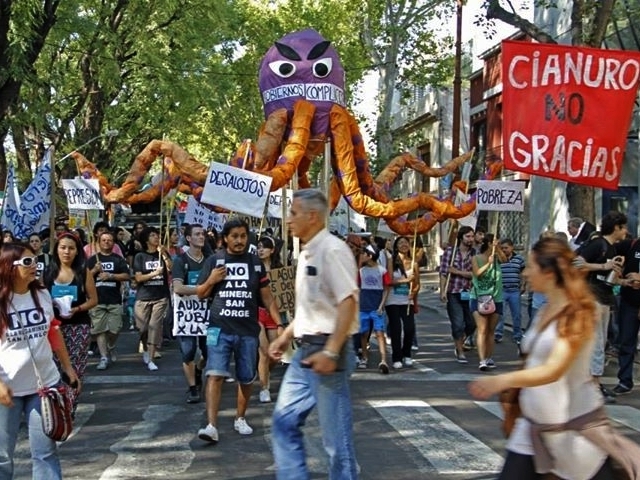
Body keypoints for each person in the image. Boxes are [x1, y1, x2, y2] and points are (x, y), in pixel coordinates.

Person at [468, 237, 640, 480]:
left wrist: (501, 381)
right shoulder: (544, 310)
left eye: (531, 267)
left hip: (574, 434)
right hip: (532, 429)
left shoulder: (579, 312)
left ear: (548, 273)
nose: (526, 273)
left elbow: (554, 368)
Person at [269, 189, 359, 480]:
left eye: (293, 213)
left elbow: (348, 301)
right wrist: (285, 337)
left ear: (312, 216)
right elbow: (312, 308)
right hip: (305, 352)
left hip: (328, 352)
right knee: (284, 422)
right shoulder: (308, 251)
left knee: (337, 445)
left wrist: (332, 351)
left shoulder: (332, 250)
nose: (288, 220)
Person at [196, 218, 282, 443]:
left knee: (246, 377)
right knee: (215, 375)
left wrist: (280, 325)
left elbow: (267, 298)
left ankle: (240, 418)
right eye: (234, 236)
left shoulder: (255, 263)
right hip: (219, 329)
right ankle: (211, 425)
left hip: (247, 332)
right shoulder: (214, 261)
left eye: (243, 236)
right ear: (225, 238)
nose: (239, 240)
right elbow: (201, 293)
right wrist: (212, 280)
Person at [0, 242, 80, 480]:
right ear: (8, 266)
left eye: (35, 260)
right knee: (2, 456)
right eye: (27, 262)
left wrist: (68, 368)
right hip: (7, 391)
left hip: (44, 387)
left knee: (45, 453)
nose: (34, 266)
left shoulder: (42, 293)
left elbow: (53, 331)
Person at [575, 211, 628, 403]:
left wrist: (623, 282)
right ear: (616, 228)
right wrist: (603, 267)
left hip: (604, 298)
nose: (626, 231)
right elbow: (576, 263)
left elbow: (606, 277)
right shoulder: (598, 244)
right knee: (596, 342)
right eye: (624, 227)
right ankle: (593, 387)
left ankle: (592, 382)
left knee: (599, 342)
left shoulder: (611, 249)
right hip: (592, 298)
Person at [43, 231, 97, 414]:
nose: (66, 252)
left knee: (74, 366)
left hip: (78, 326)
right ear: (56, 250)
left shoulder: (83, 272)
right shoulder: (48, 273)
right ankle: (58, 403)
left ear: (77, 251)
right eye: (63, 247)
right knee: (55, 366)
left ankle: (69, 404)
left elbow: (93, 299)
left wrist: (78, 308)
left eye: (71, 248)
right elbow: (41, 299)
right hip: (54, 327)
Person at [171, 224, 210, 404]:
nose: (201, 237)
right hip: (187, 314)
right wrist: (202, 289)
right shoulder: (180, 261)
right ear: (188, 238)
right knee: (188, 352)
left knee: (209, 351)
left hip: (207, 313)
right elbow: (178, 288)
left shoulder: (210, 259)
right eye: (197, 234)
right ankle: (193, 388)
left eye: (202, 234)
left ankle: (199, 370)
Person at [86, 231, 130, 370]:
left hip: (114, 299)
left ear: (113, 243)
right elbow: (84, 278)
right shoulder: (92, 260)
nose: (106, 242)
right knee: (100, 330)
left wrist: (111, 276)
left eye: (109, 240)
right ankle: (104, 357)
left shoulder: (118, 259)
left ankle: (111, 346)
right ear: (99, 242)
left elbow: (127, 276)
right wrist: (94, 271)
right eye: (103, 240)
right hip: (97, 300)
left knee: (115, 329)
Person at [132, 226, 172, 371]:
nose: (157, 238)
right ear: (146, 239)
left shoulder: (162, 253)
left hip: (160, 296)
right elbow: (138, 278)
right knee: (142, 328)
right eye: (153, 235)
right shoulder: (140, 256)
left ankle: (151, 357)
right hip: (143, 296)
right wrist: (154, 273)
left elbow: (171, 268)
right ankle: (146, 347)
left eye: (157, 235)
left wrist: (165, 255)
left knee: (155, 326)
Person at [439, 226, 476, 364]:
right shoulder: (450, 252)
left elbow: (476, 274)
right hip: (453, 292)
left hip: (470, 292)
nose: (471, 239)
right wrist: (442, 290)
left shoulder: (475, 254)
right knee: (458, 324)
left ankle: (461, 339)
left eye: (472, 236)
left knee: (472, 323)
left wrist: (457, 272)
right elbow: (444, 272)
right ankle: (460, 350)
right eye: (468, 236)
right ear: (461, 237)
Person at [470, 234, 506, 371]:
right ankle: (482, 359)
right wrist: (488, 264)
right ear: (488, 243)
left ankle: (489, 357)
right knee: (482, 329)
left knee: (491, 330)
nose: (496, 245)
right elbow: (477, 273)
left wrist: (497, 250)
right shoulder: (476, 258)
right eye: (494, 243)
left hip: (496, 298)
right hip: (479, 296)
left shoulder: (497, 257)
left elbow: (505, 259)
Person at [256, 235, 285, 403]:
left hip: (274, 315)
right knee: (264, 351)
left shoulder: (280, 269)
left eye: (264, 247)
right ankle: (264, 388)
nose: (261, 250)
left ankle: (263, 371)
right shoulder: (254, 268)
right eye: (258, 246)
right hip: (257, 312)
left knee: (275, 354)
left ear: (272, 250)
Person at [610, 235, 640, 395]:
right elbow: (609, 245)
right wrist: (617, 265)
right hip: (629, 302)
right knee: (626, 342)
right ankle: (625, 381)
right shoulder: (632, 244)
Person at [385, 236, 420, 369]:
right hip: (392, 300)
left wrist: (414, 292)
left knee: (409, 328)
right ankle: (396, 357)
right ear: (396, 246)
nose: (403, 245)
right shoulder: (391, 261)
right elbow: (389, 281)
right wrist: (405, 281)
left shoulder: (414, 263)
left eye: (406, 243)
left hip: (407, 301)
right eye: (400, 243)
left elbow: (417, 284)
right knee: (396, 329)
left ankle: (407, 354)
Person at [357, 244, 390, 373]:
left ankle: (383, 360)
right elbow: (358, 287)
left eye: (364, 253)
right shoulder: (361, 271)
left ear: (370, 256)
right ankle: (364, 357)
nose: (362, 255)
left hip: (376, 307)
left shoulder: (382, 271)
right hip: (363, 307)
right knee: (364, 333)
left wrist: (382, 305)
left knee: (379, 333)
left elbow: (387, 288)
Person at [494, 238, 526, 344]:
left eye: (506, 248)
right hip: (502, 290)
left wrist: (523, 285)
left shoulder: (519, 259)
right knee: (500, 313)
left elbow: (523, 273)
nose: (504, 250)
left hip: (514, 290)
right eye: (502, 248)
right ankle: (498, 334)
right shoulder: (498, 259)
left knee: (516, 314)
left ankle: (517, 335)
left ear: (512, 247)